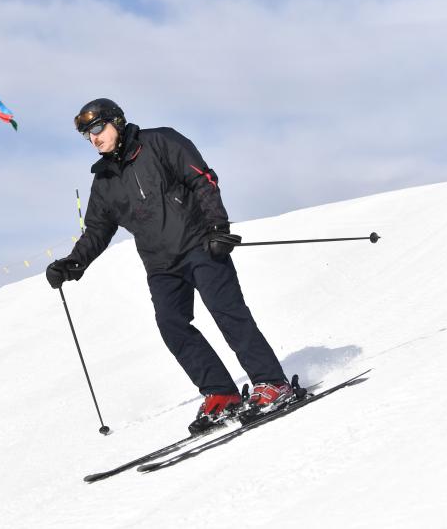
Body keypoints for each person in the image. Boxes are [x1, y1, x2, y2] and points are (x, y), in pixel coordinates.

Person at [45, 98, 292, 434]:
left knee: (227, 311)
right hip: (160, 263)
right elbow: (97, 230)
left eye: (99, 129)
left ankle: (272, 383)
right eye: (88, 135)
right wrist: (73, 264)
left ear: (116, 121)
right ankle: (221, 393)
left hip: (199, 244)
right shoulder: (104, 181)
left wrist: (218, 227)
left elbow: (203, 180)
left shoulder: (161, 142)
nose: (95, 139)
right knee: (172, 325)